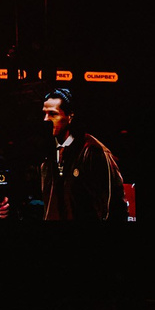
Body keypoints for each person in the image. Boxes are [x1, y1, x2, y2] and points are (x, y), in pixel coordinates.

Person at [39, 87, 128, 220]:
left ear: (70, 117)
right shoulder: (47, 155)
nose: (46, 119)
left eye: (53, 114)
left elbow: (114, 206)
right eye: (44, 114)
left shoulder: (93, 152)